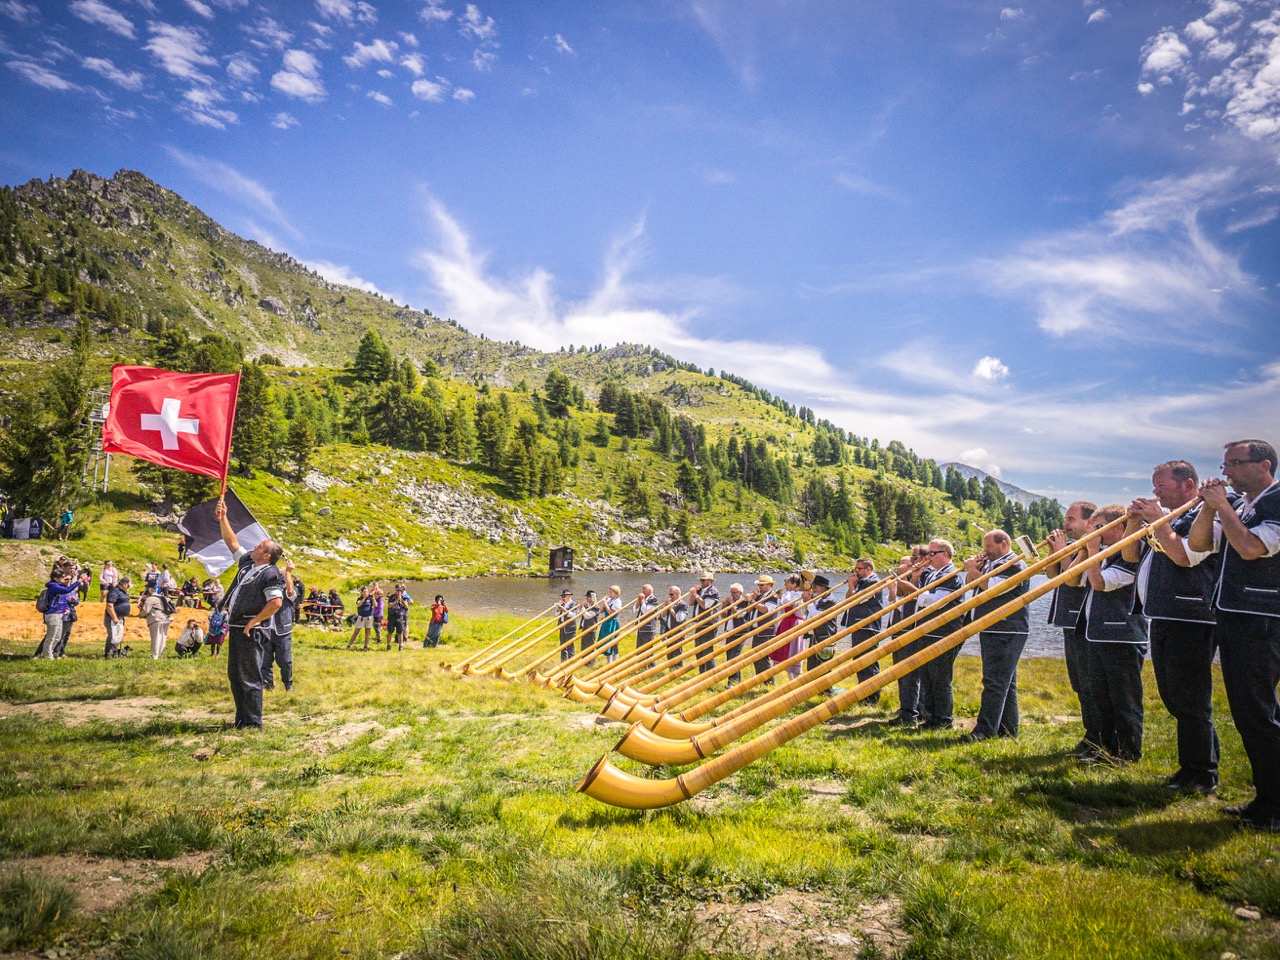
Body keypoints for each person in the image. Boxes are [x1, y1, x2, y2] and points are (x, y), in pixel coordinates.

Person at [1187, 439, 1280, 830]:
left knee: (1259, 713)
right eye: (1224, 465)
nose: (1225, 472)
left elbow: (1251, 548)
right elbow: (1199, 544)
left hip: (1263, 618)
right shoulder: (1242, 505)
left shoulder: (1276, 501)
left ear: (1264, 465)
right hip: (1238, 616)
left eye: (1235, 463)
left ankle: (1274, 808)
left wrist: (1222, 506)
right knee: (1248, 713)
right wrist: (1210, 507)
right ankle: (1266, 799)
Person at [1126, 460, 1223, 793]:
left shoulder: (1204, 515)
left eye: (1161, 485)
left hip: (1191, 616)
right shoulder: (1171, 518)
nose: (1155, 491)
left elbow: (1184, 556)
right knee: (1173, 696)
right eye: (1154, 486)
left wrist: (1157, 520)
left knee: (1190, 698)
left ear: (1188, 485)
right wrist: (1135, 521)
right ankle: (1192, 767)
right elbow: (1130, 556)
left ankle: (1202, 773)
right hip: (1164, 614)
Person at [1068, 504, 1147, 763]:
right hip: (1097, 634)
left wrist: (1091, 551)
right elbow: (1072, 579)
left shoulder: (1127, 555)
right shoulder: (1103, 553)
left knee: (1124, 699)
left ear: (1119, 528)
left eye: (1101, 528)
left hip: (1122, 635)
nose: (1097, 533)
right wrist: (1087, 551)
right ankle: (1106, 749)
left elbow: (1100, 583)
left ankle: (1128, 753)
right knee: (1101, 697)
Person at [215, 497, 286, 729]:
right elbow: (232, 542)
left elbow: (275, 602)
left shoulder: (271, 573)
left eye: (259, 546)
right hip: (237, 627)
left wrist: (255, 621)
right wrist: (223, 517)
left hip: (252, 630)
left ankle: (253, 723)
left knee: (250, 677)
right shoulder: (247, 564)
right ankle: (241, 719)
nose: (254, 547)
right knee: (235, 675)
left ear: (266, 556)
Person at [963, 530, 1030, 741]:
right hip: (993, 627)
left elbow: (993, 588)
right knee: (1005, 683)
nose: (986, 551)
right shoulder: (992, 564)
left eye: (989, 547)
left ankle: (984, 730)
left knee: (994, 682)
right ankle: (1008, 730)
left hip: (1006, 628)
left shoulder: (1015, 565)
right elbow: (970, 584)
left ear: (1004, 545)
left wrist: (973, 570)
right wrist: (974, 570)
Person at [1046, 502, 1100, 757]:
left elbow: (1072, 578)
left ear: (1089, 523)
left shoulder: (1090, 547)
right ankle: (1090, 734)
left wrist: (1062, 551)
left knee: (1089, 683)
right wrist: (1054, 551)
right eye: (1065, 519)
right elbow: (1051, 574)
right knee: (1079, 683)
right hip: (1068, 622)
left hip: (1084, 622)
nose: (1065, 524)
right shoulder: (1071, 546)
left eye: (1071, 519)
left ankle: (1097, 736)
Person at [915, 539, 966, 730]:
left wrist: (918, 595)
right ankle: (931, 717)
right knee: (927, 677)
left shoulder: (951, 575)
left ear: (945, 554)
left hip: (943, 633)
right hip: (928, 631)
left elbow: (938, 601)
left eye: (932, 553)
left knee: (940, 679)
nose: (928, 557)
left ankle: (944, 719)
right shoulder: (933, 574)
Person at [887, 553, 927, 727]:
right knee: (903, 672)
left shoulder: (927, 574)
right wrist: (902, 580)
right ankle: (907, 708)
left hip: (917, 628)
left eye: (914, 558)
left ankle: (919, 710)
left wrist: (910, 579)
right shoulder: (915, 575)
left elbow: (919, 597)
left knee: (916, 674)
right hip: (903, 627)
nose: (911, 563)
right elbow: (901, 596)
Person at [842, 558, 887, 704]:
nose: (856, 572)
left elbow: (858, 599)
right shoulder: (861, 582)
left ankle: (872, 698)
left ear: (868, 569)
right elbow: (848, 599)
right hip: (858, 625)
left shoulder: (873, 582)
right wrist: (852, 586)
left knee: (868, 662)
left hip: (868, 626)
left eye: (858, 569)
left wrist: (851, 585)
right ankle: (863, 695)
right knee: (858, 662)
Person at [261, 558, 297, 691]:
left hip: (282, 630)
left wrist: (288, 573)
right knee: (265, 661)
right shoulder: (266, 591)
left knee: (285, 661)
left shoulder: (287, 592)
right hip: (266, 629)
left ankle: (288, 684)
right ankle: (267, 686)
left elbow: (291, 592)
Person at [38, 559, 79, 660]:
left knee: (57, 637)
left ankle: (50, 653)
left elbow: (62, 600)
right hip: (53, 614)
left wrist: (65, 608)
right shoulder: (54, 586)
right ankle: (46, 655)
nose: (65, 580)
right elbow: (67, 590)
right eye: (63, 578)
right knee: (51, 636)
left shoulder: (59, 585)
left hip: (60, 613)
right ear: (56, 578)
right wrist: (80, 581)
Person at [805, 575, 840, 674]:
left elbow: (818, 617)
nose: (812, 589)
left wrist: (809, 602)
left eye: (814, 587)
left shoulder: (829, 600)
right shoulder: (819, 598)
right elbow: (809, 615)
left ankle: (824, 684)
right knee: (812, 665)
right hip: (815, 635)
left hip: (825, 636)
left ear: (822, 588)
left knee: (823, 665)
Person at [747, 575, 779, 680]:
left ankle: (769, 681)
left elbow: (765, 610)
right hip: (758, 630)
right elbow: (749, 610)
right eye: (759, 585)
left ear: (769, 585)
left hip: (766, 631)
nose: (759, 587)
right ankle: (761, 680)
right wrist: (752, 599)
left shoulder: (773, 596)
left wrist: (753, 602)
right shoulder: (760, 596)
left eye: (761, 585)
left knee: (763, 657)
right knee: (756, 657)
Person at [721, 583, 753, 686]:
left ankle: (733, 682)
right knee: (729, 657)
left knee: (734, 658)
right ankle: (734, 681)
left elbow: (738, 615)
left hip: (740, 632)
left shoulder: (744, 602)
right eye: (731, 592)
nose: (732, 595)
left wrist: (731, 604)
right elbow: (723, 616)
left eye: (734, 592)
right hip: (729, 632)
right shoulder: (731, 602)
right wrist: (724, 605)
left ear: (740, 593)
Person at [689, 571, 720, 673]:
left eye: (703, 580)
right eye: (700, 580)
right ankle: (702, 673)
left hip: (709, 623)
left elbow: (705, 605)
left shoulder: (713, 591)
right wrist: (693, 594)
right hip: (700, 623)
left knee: (707, 650)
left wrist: (696, 595)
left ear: (710, 581)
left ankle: (711, 673)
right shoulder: (700, 590)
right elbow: (691, 603)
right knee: (698, 649)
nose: (701, 582)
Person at [659, 585, 691, 668]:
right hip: (670, 631)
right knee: (669, 652)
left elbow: (679, 618)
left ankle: (679, 669)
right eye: (669, 594)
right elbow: (663, 616)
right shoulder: (671, 604)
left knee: (677, 652)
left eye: (671, 594)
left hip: (678, 631)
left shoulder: (683, 605)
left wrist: (670, 608)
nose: (670, 596)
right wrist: (666, 608)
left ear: (677, 594)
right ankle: (671, 669)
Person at [139, 586, 173, 659]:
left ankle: (155, 655)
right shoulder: (164, 597)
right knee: (163, 636)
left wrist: (140, 614)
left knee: (156, 637)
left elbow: (145, 611)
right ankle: (160, 653)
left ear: (146, 594)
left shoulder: (150, 599)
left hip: (157, 618)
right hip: (168, 618)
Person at [103, 575, 131, 658]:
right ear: (124, 584)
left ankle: (114, 652)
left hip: (120, 618)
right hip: (113, 618)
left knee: (117, 636)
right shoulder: (114, 591)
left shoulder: (122, 592)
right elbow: (109, 605)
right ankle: (109, 653)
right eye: (128, 585)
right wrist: (114, 617)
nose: (129, 587)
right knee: (113, 636)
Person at [633, 584, 661, 651]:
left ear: (649, 591)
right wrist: (638, 601)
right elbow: (634, 610)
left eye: (644, 590)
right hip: (640, 628)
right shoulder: (643, 599)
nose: (642, 592)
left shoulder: (654, 600)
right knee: (639, 650)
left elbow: (645, 611)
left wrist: (642, 600)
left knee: (648, 650)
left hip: (648, 629)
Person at [599, 585, 623, 663]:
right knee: (606, 642)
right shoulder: (609, 600)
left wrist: (605, 604)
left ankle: (615, 662)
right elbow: (601, 611)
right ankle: (608, 663)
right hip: (607, 622)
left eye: (611, 592)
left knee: (613, 643)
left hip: (613, 623)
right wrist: (603, 603)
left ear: (616, 593)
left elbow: (611, 613)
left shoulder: (618, 601)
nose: (610, 593)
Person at [386, 583, 414, 650]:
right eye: (398, 590)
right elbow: (389, 605)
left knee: (400, 632)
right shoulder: (391, 597)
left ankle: (400, 646)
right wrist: (396, 601)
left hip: (400, 616)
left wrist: (402, 600)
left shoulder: (403, 597)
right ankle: (388, 644)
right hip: (392, 616)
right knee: (390, 631)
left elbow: (406, 606)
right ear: (395, 590)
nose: (399, 592)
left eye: (400, 590)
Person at [555, 589, 579, 661]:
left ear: (568, 596)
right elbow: (556, 615)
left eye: (564, 596)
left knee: (570, 646)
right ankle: (563, 661)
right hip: (562, 627)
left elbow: (573, 615)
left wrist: (564, 610)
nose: (563, 598)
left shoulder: (574, 604)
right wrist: (557, 608)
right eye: (562, 596)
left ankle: (571, 661)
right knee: (562, 645)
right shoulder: (562, 604)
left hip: (570, 628)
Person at [578, 590, 601, 658]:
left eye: (588, 597)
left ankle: (590, 662)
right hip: (585, 628)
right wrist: (581, 607)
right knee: (584, 646)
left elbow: (587, 616)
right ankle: (584, 661)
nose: (586, 598)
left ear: (592, 598)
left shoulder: (596, 607)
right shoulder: (588, 606)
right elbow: (580, 613)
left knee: (590, 647)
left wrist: (582, 608)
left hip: (591, 630)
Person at [370, 583, 386, 649]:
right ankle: (377, 639)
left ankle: (379, 640)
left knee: (377, 628)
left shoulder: (380, 601)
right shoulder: (375, 599)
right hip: (374, 615)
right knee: (375, 627)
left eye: (376, 594)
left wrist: (372, 611)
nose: (374, 595)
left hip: (378, 615)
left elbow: (379, 609)